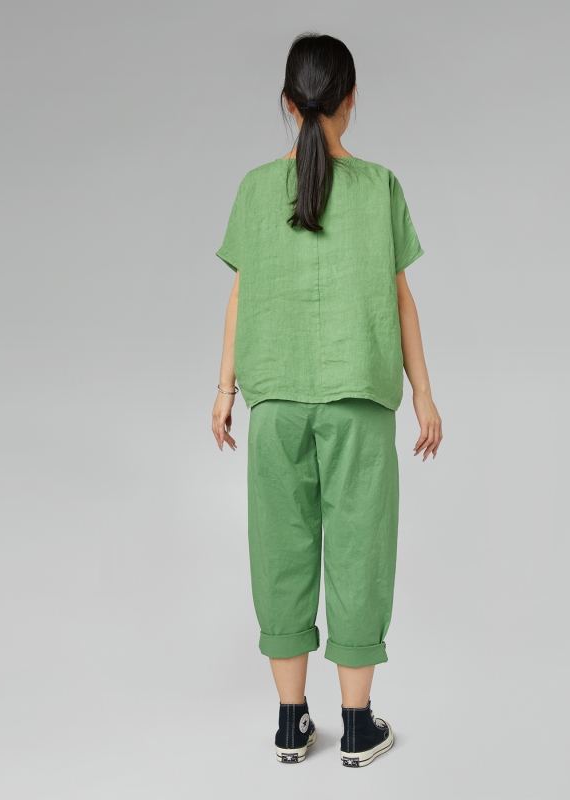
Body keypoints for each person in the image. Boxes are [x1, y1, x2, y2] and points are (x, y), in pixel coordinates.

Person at [211, 32, 442, 768]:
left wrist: (224, 390)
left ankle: (289, 722)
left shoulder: (254, 188)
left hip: (274, 402)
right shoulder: (379, 186)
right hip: (358, 400)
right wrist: (425, 395)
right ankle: (358, 724)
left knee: (279, 550)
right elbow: (401, 300)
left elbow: (240, 295)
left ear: (288, 102)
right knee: (358, 550)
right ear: (350, 100)